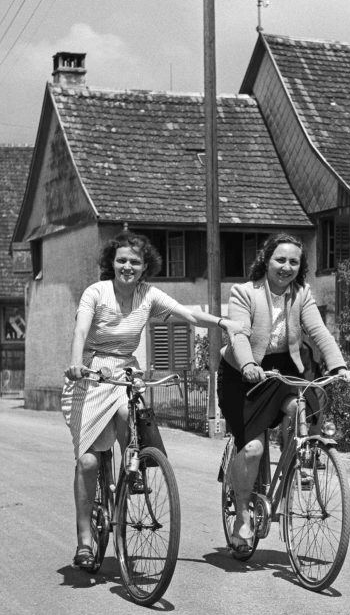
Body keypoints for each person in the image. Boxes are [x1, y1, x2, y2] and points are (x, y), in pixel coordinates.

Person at [63, 231, 239, 569]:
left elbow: (189, 315)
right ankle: (85, 539)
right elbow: (81, 331)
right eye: (122, 260)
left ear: (145, 267)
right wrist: (75, 364)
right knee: (87, 463)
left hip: (125, 370)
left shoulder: (148, 294)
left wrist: (223, 322)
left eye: (135, 262)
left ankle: (133, 467)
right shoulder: (96, 292)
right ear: (112, 263)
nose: (128, 267)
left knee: (129, 413)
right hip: (91, 371)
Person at [218, 232, 350, 555]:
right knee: (253, 448)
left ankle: (301, 459)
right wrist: (248, 364)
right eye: (280, 259)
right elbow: (238, 336)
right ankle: (242, 516)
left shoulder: (301, 294)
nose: (286, 267)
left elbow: (318, 331)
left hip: (282, 371)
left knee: (301, 405)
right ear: (266, 261)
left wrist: (338, 366)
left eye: (294, 261)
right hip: (243, 374)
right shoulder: (244, 293)